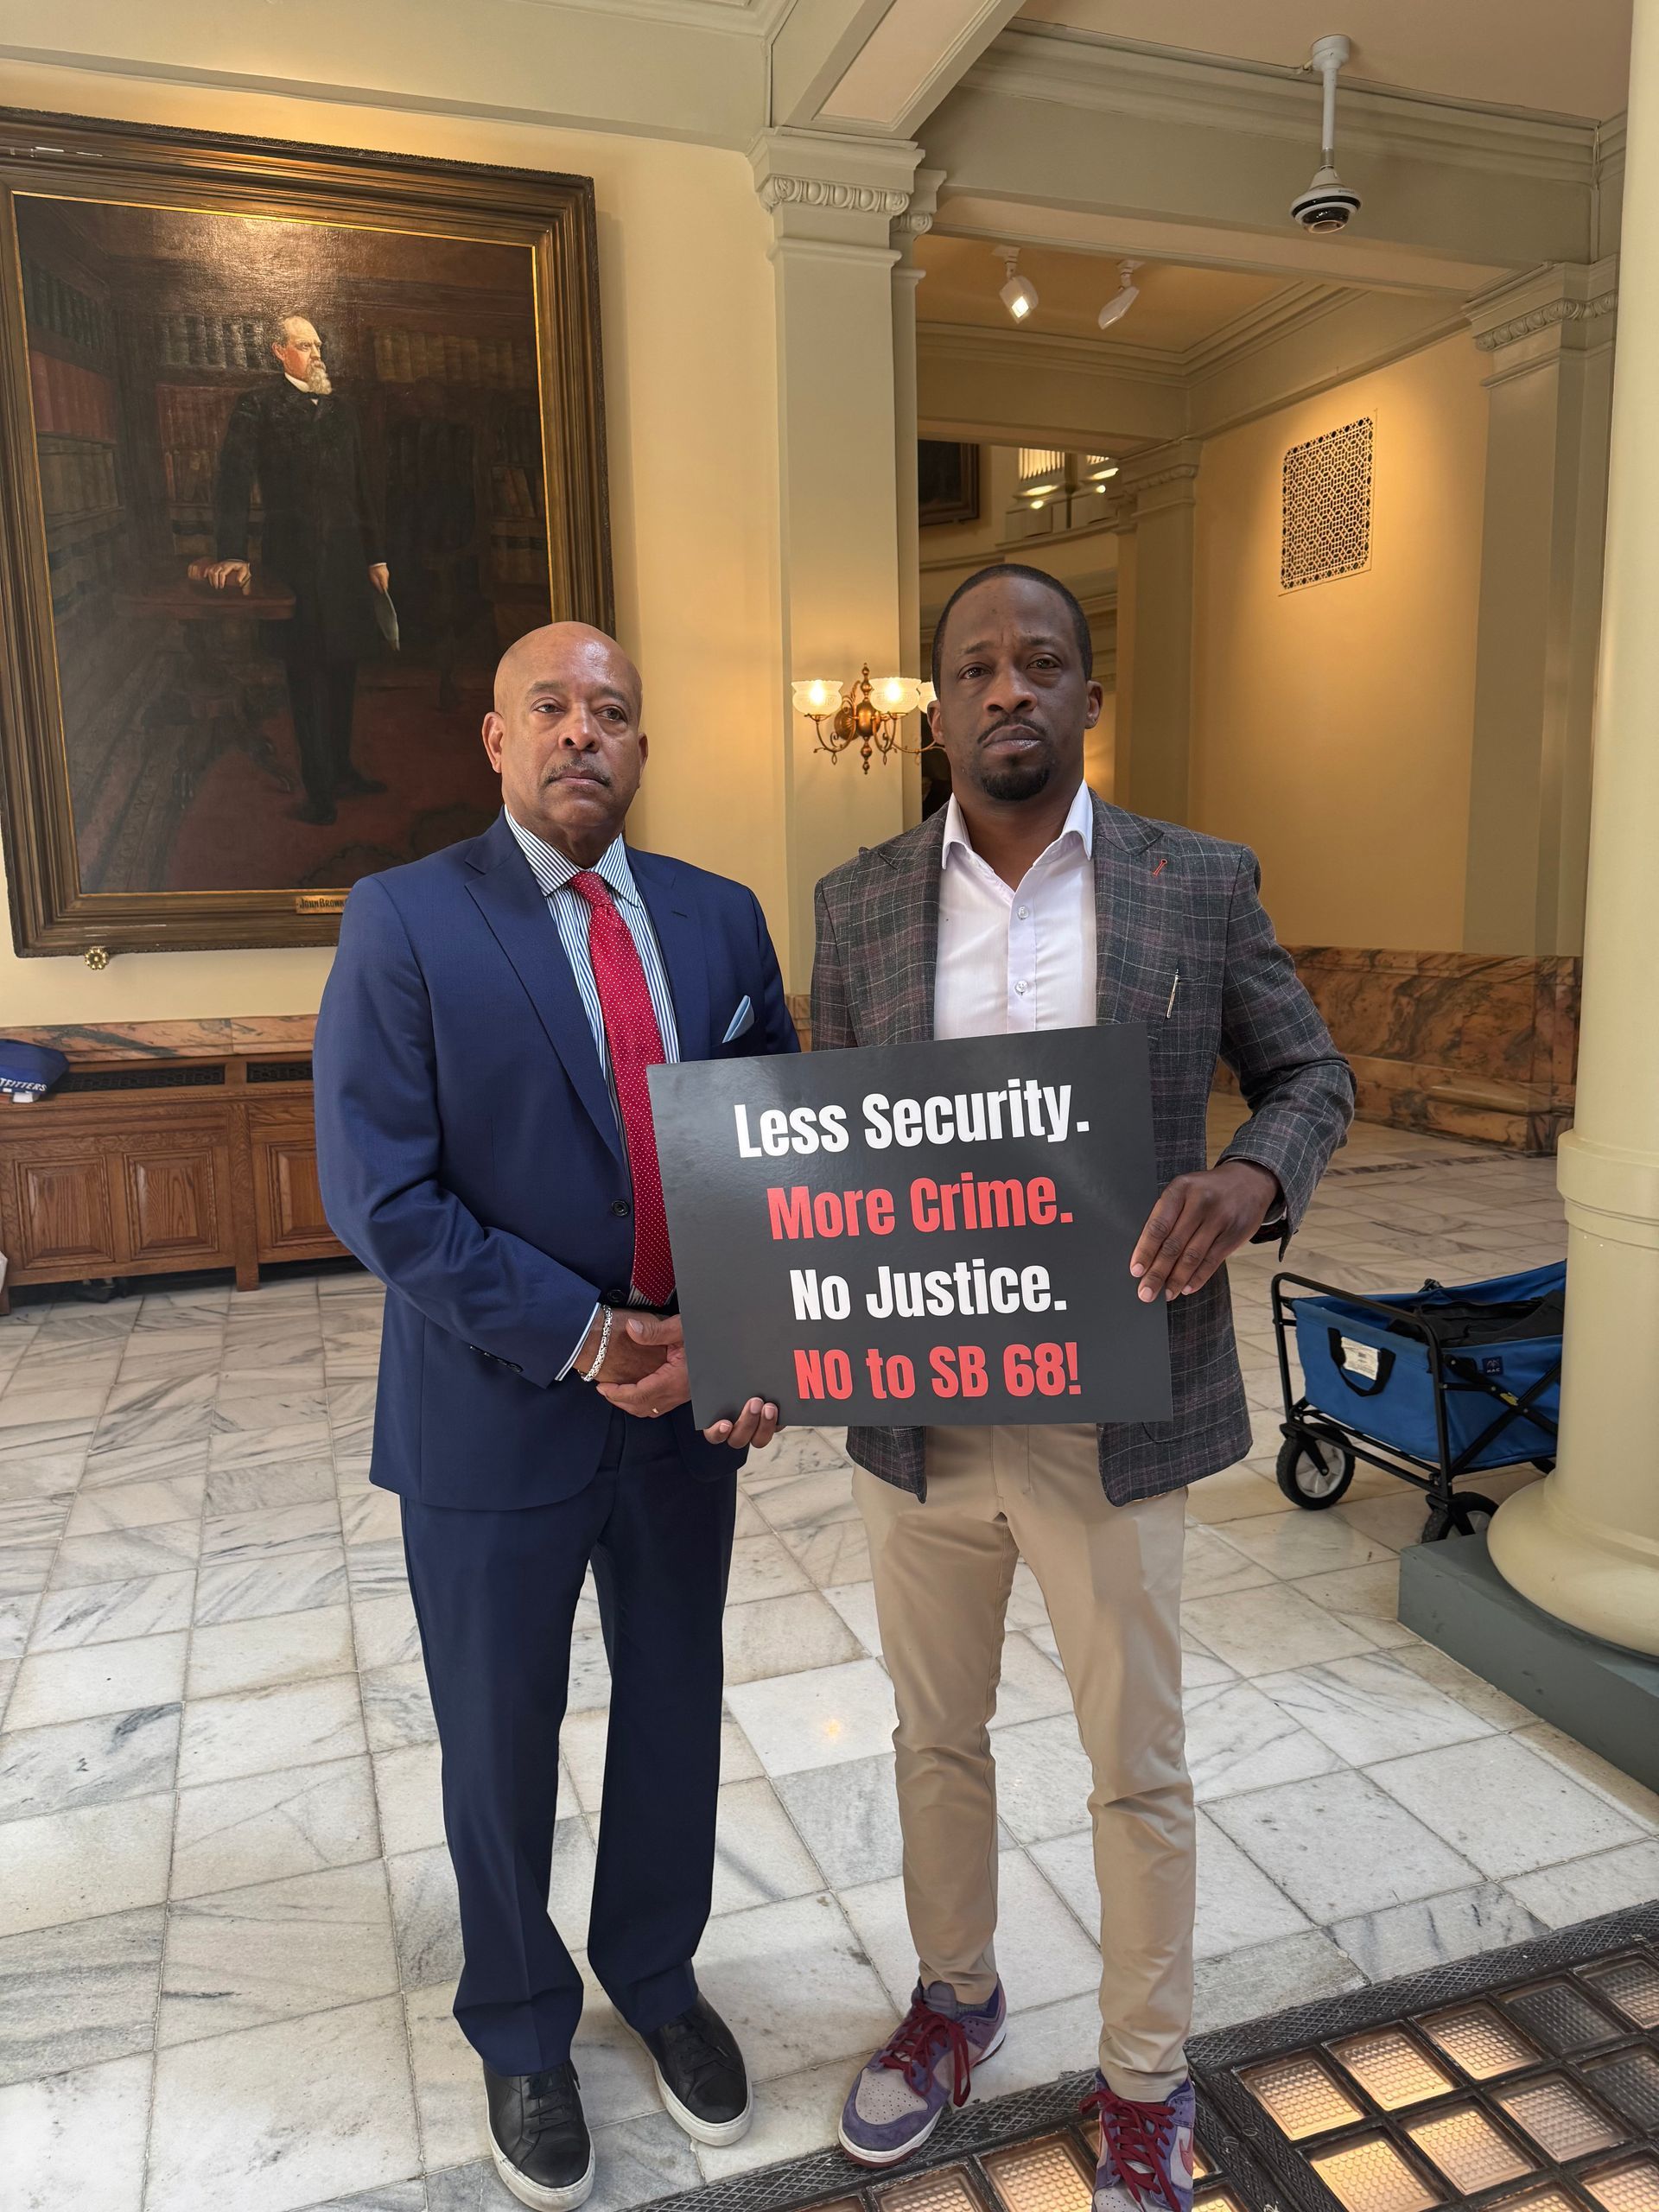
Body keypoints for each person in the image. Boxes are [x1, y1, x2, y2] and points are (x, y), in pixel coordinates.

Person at [814, 564, 1354, 2211]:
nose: (1008, 689)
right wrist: (780, 1330)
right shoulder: (855, 903)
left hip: (1115, 1409)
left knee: (1140, 1762)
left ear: (1087, 695)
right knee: (935, 1736)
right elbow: (823, 1154)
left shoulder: (1198, 886)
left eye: (1041, 661)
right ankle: (957, 1995)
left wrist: (1253, 1179)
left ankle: (1145, 2081)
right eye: (974, 666)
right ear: (937, 704)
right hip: (919, 1411)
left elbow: (1312, 1076)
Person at [314, 622, 794, 2212]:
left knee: (673, 1709)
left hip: (682, 1423)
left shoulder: (722, 925)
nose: (584, 731)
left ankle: (654, 1977)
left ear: (642, 749)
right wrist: (590, 1338)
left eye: (613, 711)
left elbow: (774, 1161)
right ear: (496, 740)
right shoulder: (404, 921)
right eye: (552, 708)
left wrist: (750, 1343)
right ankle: (520, 2024)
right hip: (492, 1418)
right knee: (497, 1737)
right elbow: (381, 1197)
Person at [207, 312, 391, 824]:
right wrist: (233, 553)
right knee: (306, 673)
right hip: (294, 564)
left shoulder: (342, 411)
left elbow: (360, 486)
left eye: (318, 345)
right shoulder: (259, 406)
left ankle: (342, 772)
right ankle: (318, 791)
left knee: (344, 667)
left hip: (347, 563)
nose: (316, 354)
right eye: (305, 346)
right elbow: (233, 481)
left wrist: (375, 555)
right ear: (278, 351)